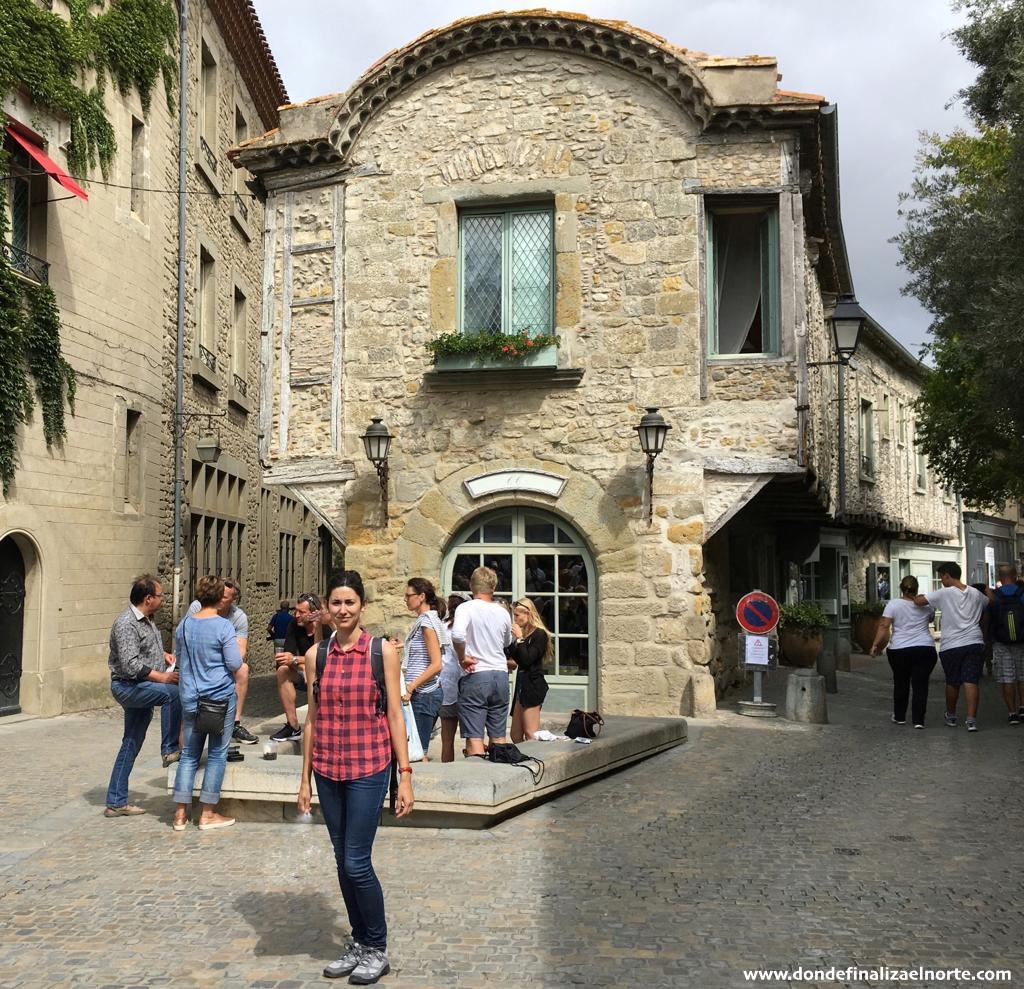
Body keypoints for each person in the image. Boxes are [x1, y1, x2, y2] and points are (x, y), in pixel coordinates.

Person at [298, 570, 414, 984]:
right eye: (336, 603)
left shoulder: (381, 651)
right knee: (341, 861)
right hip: (328, 769)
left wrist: (405, 774)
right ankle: (359, 941)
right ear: (326, 609)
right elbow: (312, 720)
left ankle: (377, 947)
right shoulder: (317, 657)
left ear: (362, 605)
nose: (343, 610)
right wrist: (304, 779)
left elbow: (396, 715)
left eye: (350, 602)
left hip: (369, 766)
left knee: (356, 861)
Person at [104, 575, 182, 818]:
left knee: (130, 743)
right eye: (160, 595)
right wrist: (162, 677)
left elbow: (143, 651)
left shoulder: (147, 620)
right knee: (173, 693)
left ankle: (116, 802)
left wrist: (164, 655)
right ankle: (169, 749)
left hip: (140, 685)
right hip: (128, 686)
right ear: (148, 599)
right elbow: (129, 665)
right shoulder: (127, 623)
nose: (162, 599)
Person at [171, 576, 242, 831]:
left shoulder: (185, 625)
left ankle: (180, 814)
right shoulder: (224, 627)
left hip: (190, 696)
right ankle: (208, 813)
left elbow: (180, 658)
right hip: (219, 698)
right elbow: (235, 663)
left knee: (189, 754)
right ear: (218, 598)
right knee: (216, 754)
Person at [914, 562, 988, 731]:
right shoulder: (976, 593)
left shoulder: (944, 593)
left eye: (942, 577)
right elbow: (989, 602)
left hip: (951, 645)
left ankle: (952, 715)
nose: (941, 581)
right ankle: (971, 720)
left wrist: (914, 595)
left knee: (953, 682)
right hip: (974, 641)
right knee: (971, 681)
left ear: (948, 575)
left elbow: (919, 602)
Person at [450, 566, 513, 758]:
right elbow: (507, 641)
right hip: (500, 674)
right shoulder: (502, 612)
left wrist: (462, 657)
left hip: (477, 673)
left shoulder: (466, 608)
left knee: (474, 737)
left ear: (471, 586)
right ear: (493, 587)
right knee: (499, 736)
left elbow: (458, 634)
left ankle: (478, 780)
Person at [189, 579, 256, 744]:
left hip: (224, 661)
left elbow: (241, 651)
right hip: (200, 659)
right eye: (219, 594)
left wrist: (224, 660)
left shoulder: (238, 617)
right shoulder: (197, 607)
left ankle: (235, 723)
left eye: (225, 596)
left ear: (234, 599)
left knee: (243, 669)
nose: (220, 598)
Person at [868, 576, 937, 728]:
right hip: (924, 648)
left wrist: (875, 645)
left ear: (901, 588)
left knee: (901, 682)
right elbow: (931, 620)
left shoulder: (893, 604)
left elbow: (884, 625)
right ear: (917, 588)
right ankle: (918, 720)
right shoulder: (927, 605)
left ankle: (900, 716)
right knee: (920, 684)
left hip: (900, 649)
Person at [271, 592, 327, 742]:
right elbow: (288, 659)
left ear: (314, 612)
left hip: (327, 675)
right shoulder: (293, 625)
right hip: (305, 671)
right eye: (296, 610)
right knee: (283, 670)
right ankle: (293, 726)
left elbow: (321, 658)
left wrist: (298, 660)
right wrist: (301, 664)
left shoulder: (326, 628)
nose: (296, 615)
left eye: (302, 612)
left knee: (312, 673)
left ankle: (320, 723)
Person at [401, 578, 445, 760]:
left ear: (421, 597)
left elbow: (436, 664)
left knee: (418, 753)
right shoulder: (426, 620)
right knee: (416, 750)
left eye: (408, 595)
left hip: (424, 693)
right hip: (423, 693)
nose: (405, 599)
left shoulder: (427, 623)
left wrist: (411, 687)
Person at [507, 597, 552, 743]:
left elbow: (527, 660)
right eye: (514, 615)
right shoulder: (524, 634)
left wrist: (520, 639)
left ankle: (536, 763)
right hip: (521, 685)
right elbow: (517, 659)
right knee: (515, 734)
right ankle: (522, 762)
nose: (515, 619)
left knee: (531, 733)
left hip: (533, 685)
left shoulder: (539, 634)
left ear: (528, 614)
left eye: (518, 615)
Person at [988, 564, 1024, 725]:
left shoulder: (994, 596)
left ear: (999, 578)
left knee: (1007, 677)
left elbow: (987, 619)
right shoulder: (1022, 593)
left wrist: (986, 639)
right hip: (1022, 641)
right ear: (1015, 576)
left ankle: (1012, 713)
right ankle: (1023, 707)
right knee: (1022, 676)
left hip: (1001, 642)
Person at [439, 594, 468, 763]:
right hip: (465, 682)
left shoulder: (443, 627)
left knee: (447, 739)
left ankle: (446, 769)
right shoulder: (467, 628)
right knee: (473, 736)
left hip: (447, 683)